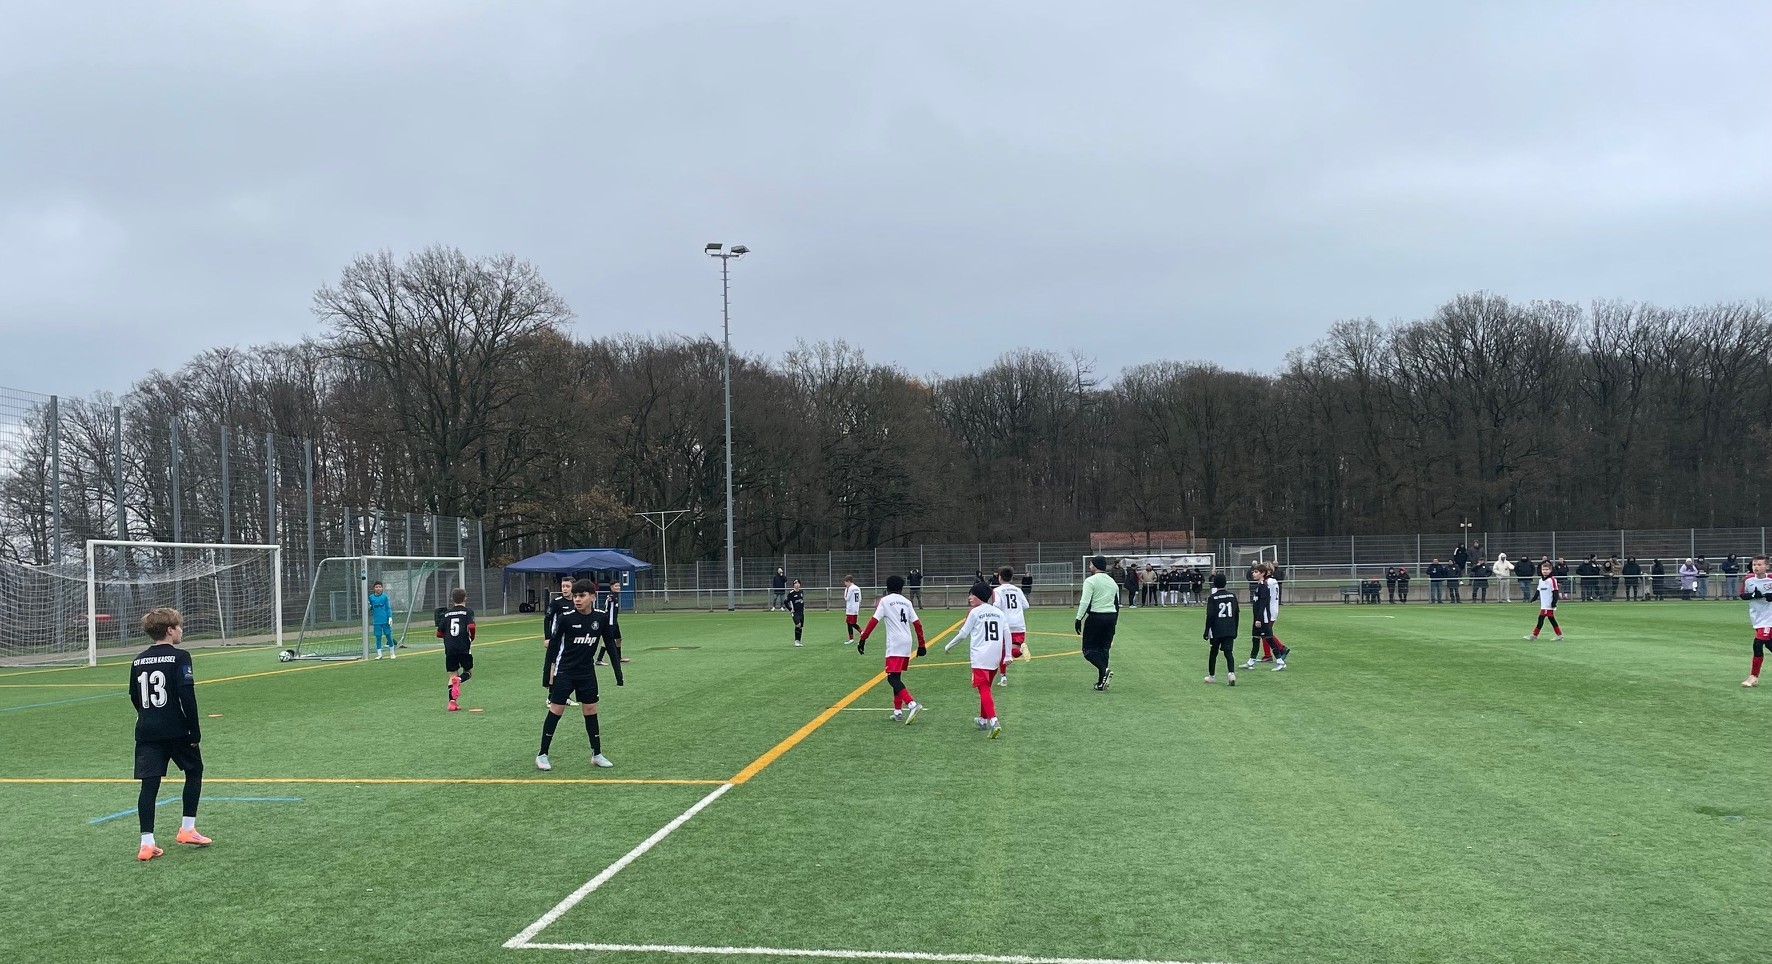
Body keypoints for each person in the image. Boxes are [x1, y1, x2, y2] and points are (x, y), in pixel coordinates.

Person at [129, 607, 211, 861]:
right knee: (194, 771)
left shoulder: (138, 660)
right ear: (170, 630)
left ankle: (146, 843)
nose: (181, 630)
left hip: (146, 730)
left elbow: (134, 696)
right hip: (176, 729)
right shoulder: (180, 656)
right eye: (179, 626)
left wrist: (148, 716)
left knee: (149, 785)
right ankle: (187, 829)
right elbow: (187, 695)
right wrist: (194, 731)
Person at [536, 579, 614, 770]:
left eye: (581, 596)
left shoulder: (600, 617)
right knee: (556, 710)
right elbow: (553, 648)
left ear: (592, 597)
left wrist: (618, 672)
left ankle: (597, 754)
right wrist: (549, 674)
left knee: (591, 710)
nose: (577, 599)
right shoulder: (566, 618)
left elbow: (610, 642)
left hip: (586, 673)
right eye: (575, 596)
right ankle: (542, 754)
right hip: (565, 672)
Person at [857, 574, 926, 722]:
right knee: (897, 676)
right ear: (902, 588)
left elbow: (874, 621)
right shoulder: (907, 602)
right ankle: (897, 711)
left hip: (895, 643)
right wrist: (921, 644)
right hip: (907, 641)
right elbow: (917, 624)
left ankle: (912, 704)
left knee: (891, 678)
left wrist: (863, 638)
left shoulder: (885, 601)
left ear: (887, 588)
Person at [944, 582, 1008, 738]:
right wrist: (1007, 655)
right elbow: (1007, 633)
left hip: (980, 656)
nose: (970, 597)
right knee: (986, 689)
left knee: (983, 689)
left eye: (972, 594)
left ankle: (994, 721)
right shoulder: (998, 612)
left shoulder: (975, 612)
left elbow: (963, 634)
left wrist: (949, 645)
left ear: (978, 596)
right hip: (995, 656)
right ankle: (983, 719)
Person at [1074, 555, 1119, 690]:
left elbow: (1085, 601)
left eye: (1091, 564)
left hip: (1096, 617)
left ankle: (1104, 670)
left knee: (1088, 650)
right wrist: (1114, 621)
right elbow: (1116, 603)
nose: (1089, 566)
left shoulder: (1090, 581)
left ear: (1095, 565)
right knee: (1104, 649)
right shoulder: (1112, 581)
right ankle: (1101, 682)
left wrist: (1078, 618)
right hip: (1111, 617)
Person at [436, 588, 476, 711]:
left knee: (452, 673)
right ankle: (459, 680)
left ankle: (452, 703)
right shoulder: (468, 612)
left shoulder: (446, 614)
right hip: (463, 646)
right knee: (468, 672)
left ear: (452, 599)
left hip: (450, 647)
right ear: (465, 598)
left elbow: (438, 633)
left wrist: (448, 637)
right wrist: (472, 636)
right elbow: (471, 626)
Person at [991, 566, 1030, 686]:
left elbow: (997, 605)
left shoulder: (997, 590)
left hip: (1005, 624)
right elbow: (1026, 605)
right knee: (1014, 651)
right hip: (1019, 623)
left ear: (1000, 577)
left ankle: (1003, 677)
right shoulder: (1017, 590)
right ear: (1011, 578)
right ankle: (1021, 650)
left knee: (1003, 651)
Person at [1738, 554, 1771, 687]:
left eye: (1759, 565)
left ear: (1766, 566)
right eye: (1754, 565)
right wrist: (1752, 595)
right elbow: (1742, 594)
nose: (1756, 567)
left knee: (1758, 644)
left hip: (1769, 618)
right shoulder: (1748, 579)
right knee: (1768, 644)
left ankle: (1753, 677)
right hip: (1757, 617)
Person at [1202, 573, 1239, 685]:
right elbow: (1236, 614)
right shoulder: (1232, 596)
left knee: (1213, 652)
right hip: (1230, 628)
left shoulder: (1212, 598)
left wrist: (1206, 630)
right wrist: (1235, 629)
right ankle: (1231, 674)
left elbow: (1210, 615)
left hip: (1217, 629)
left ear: (1214, 584)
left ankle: (1211, 676)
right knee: (1228, 652)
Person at [542, 575, 574, 698]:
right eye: (563, 586)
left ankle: (565, 696)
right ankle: (551, 696)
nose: (565, 589)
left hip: (570, 641)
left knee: (568, 667)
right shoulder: (556, 602)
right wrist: (547, 637)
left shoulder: (576, 602)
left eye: (567, 586)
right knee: (553, 665)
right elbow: (547, 619)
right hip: (556, 641)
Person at [1259, 563, 1290, 670]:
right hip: (1273, 609)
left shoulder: (1268, 582)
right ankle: (1268, 655)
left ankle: (1280, 648)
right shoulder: (1273, 581)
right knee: (1265, 633)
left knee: (1266, 633)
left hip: (1269, 610)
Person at [594, 584, 626, 685]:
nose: (618, 588)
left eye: (619, 586)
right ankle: (599, 660)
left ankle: (619, 658)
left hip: (615, 623)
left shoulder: (615, 596)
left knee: (619, 639)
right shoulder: (611, 596)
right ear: (611, 587)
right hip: (610, 623)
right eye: (616, 586)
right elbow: (606, 606)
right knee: (607, 641)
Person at [1526, 561, 1564, 641]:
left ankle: (1534, 635)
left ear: (1550, 570)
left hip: (1548, 605)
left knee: (1541, 618)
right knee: (1551, 619)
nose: (1545, 571)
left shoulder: (1552, 580)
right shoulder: (1541, 580)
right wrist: (1533, 599)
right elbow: (1538, 591)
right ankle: (1559, 635)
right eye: (1543, 569)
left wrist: (1554, 602)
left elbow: (1555, 592)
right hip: (1543, 604)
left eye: (1547, 569)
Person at [369, 580, 396, 659]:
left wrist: (390, 617)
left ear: (382, 588)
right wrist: (368, 606)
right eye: (376, 587)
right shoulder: (371, 597)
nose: (378, 588)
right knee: (378, 637)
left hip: (385, 621)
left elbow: (388, 608)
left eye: (380, 587)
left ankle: (392, 653)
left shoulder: (385, 597)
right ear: (374, 588)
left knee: (388, 636)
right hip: (377, 621)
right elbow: (369, 607)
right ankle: (379, 654)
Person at [841, 574, 862, 644]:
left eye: (846, 582)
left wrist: (846, 591)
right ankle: (862, 633)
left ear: (849, 581)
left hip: (850, 608)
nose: (845, 584)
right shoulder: (857, 588)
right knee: (852, 623)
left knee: (850, 623)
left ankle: (852, 638)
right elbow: (860, 599)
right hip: (856, 608)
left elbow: (847, 598)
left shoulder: (850, 588)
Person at [785, 579, 806, 647]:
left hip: (801, 612)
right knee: (798, 624)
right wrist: (790, 609)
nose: (797, 585)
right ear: (793, 585)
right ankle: (796, 641)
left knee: (801, 627)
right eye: (795, 583)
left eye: (798, 583)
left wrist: (803, 606)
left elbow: (801, 600)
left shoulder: (801, 592)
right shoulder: (791, 593)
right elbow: (785, 602)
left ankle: (799, 641)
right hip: (795, 612)